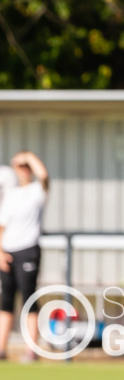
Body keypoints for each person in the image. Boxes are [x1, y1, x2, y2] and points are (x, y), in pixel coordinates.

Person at [0, 151, 50, 362]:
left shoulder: (37, 191)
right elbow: (2, 226)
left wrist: (28, 156)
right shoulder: (10, 194)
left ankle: (32, 349)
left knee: (29, 298)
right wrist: (0, 252)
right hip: (8, 252)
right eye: (19, 166)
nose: (23, 170)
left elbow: (44, 176)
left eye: (26, 166)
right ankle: (1, 349)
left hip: (28, 249)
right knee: (6, 300)